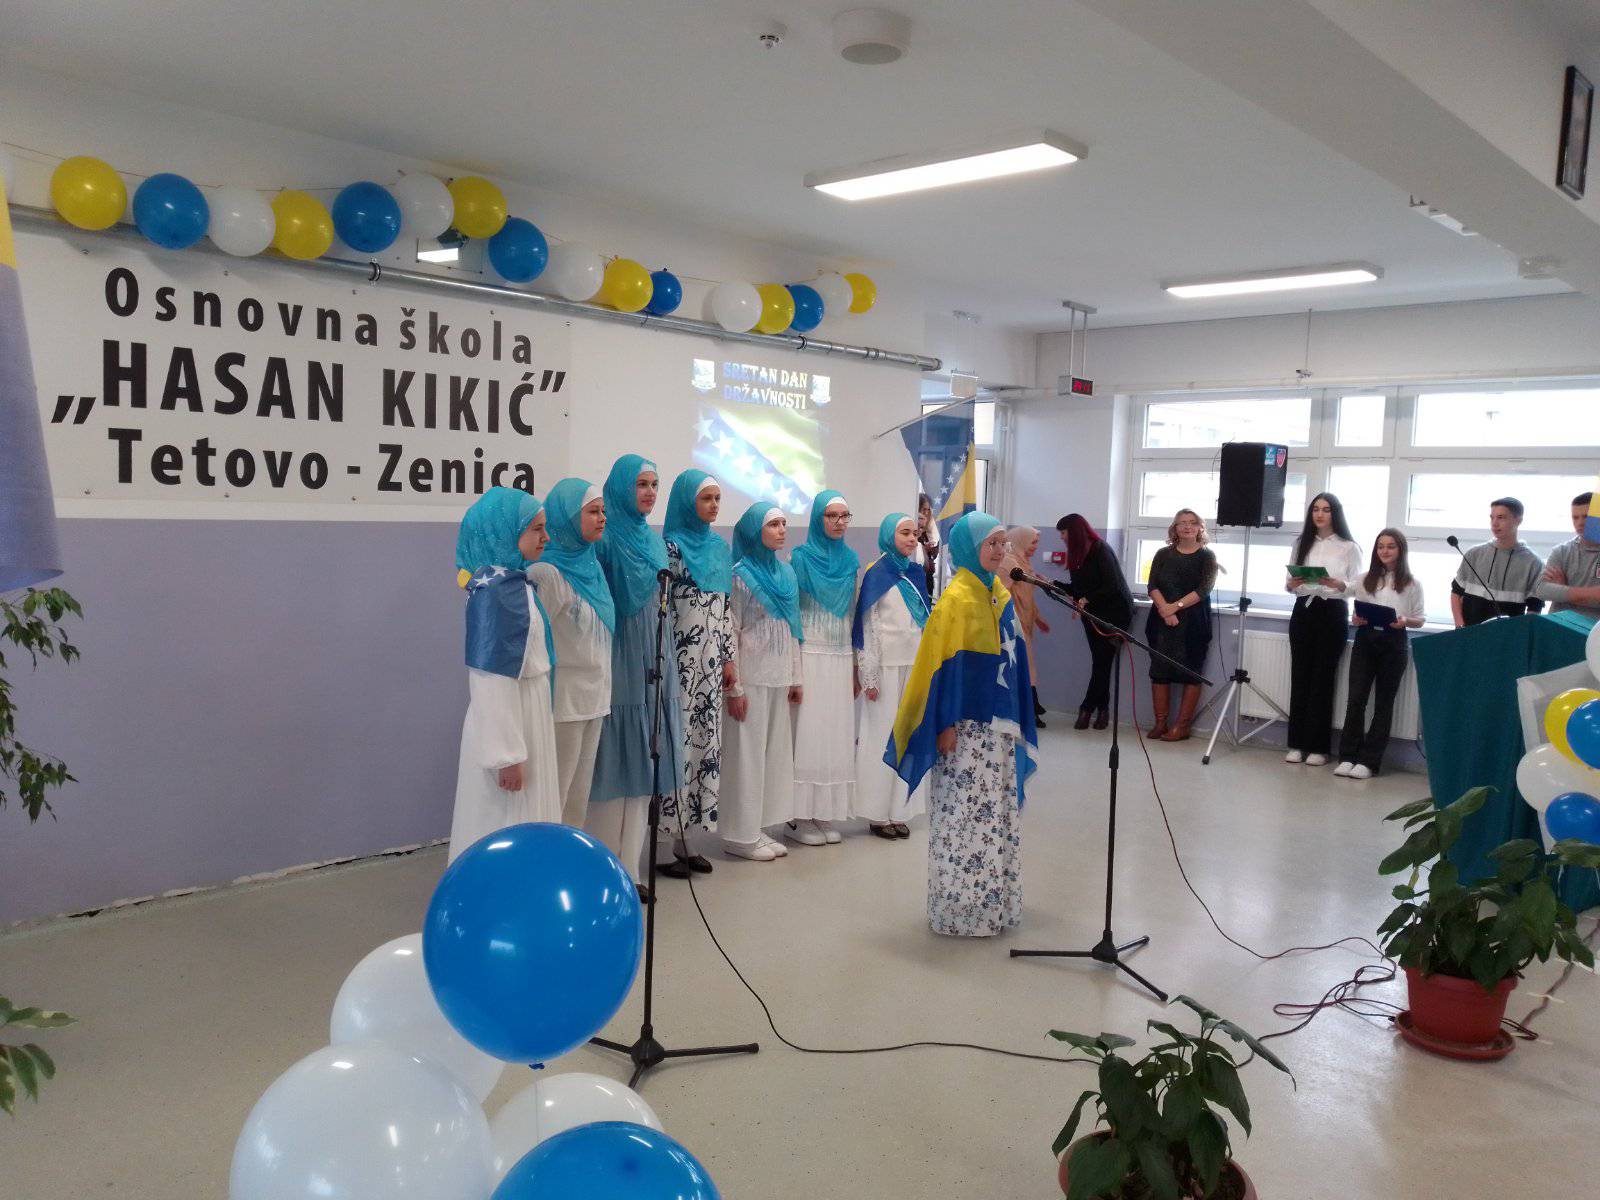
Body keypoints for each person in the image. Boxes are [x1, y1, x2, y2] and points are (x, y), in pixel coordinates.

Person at [886, 511, 1037, 937]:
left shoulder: (998, 594)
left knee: (995, 816)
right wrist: (943, 724)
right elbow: (939, 669)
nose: (1000, 551)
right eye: (991, 544)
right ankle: (960, 910)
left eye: (1003, 543)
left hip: (998, 730)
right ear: (970, 548)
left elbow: (1011, 658)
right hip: (965, 731)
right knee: (965, 818)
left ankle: (993, 903)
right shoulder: (955, 600)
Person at [447, 487, 560, 862]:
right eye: (537, 529)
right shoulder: (495, 595)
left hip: (528, 716)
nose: (546, 537)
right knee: (503, 819)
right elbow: (490, 680)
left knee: (528, 819)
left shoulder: (515, 585)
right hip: (510, 726)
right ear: (506, 532)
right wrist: (506, 755)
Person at [589, 455, 685, 887]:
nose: (649, 493)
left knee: (645, 763)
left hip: (654, 652)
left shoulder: (653, 541)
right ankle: (603, 871)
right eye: (641, 484)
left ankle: (630, 869)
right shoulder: (605, 538)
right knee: (615, 765)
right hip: (618, 653)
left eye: (654, 485)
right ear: (622, 487)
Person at [658, 469, 734, 879]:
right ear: (688, 502)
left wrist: (728, 660)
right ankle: (664, 845)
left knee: (704, 750)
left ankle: (687, 841)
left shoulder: (720, 549)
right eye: (706, 498)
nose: (714, 505)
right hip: (680, 668)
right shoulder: (671, 548)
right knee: (678, 748)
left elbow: (725, 612)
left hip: (710, 669)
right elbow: (662, 610)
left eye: (717, 498)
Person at [528, 477, 614, 830]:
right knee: (554, 798)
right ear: (566, 518)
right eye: (593, 512)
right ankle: (543, 860)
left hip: (594, 699)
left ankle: (567, 860)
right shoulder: (546, 574)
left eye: (603, 511)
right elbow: (532, 642)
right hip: (561, 704)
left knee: (578, 802)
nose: (602, 518)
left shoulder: (592, 566)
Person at [721, 501, 802, 862]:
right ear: (756, 531)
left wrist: (796, 677)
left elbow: (793, 628)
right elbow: (731, 631)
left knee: (773, 756)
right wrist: (734, 688)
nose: (782, 530)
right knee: (747, 757)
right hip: (750, 679)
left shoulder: (787, 574)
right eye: (773, 524)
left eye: (784, 523)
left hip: (777, 678)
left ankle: (758, 828)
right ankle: (739, 834)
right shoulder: (739, 575)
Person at [852, 513, 931, 839]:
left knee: (908, 736)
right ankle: (877, 813)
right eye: (905, 533)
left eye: (915, 533)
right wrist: (869, 675)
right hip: (884, 669)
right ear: (889, 536)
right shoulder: (877, 572)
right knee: (881, 736)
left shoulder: (916, 573)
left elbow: (923, 623)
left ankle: (900, 810)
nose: (912, 539)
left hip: (913, 666)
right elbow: (867, 626)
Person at [788, 491, 860, 845]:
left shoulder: (851, 560)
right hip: (811, 653)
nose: (839, 522)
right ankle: (799, 817)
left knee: (835, 735)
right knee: (809, 734)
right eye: (832, 516)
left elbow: (853, 613)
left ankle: (823, 813)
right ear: (819, 519)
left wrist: (856, 665)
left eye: (845, 516)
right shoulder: (800, 558)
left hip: (841, 654)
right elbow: (791, 613)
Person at [1336, 529, 1425, 780]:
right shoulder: (1364, 579)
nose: (1385, 551)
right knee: (1356, 699)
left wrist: (1405, 620)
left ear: (1401, 550)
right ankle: (1347, 756)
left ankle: (1369, 761)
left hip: (1394, 642)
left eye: (1391, 546)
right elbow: (1353, 605)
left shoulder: (1412, 583)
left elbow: (1420, 618)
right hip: (1366, 639)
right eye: (1380, 546)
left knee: (1384, 704)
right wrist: (1356, 619)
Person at [1284, 493, 1363, 766]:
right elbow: (1288, 582)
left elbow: (1357, 586)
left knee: (1323, 679)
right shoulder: (1301, 542)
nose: (1319, 514)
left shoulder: (1349, 547)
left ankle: (1318, 747)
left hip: (1332, 611)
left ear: (1335, 513)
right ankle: (1296, 744)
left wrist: (1339, 584)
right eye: (1315, 509)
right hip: (1303, 609)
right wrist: (1292, 583)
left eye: (1326, 510)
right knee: (1300, 677)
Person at [1144, 509, 1217, 742]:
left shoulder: (1207, 556)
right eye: (1182, 523)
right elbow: (1152, 585)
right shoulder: (1162, 554)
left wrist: (1174, 607)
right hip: (1161, 620)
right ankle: (1160, 723)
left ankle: (1182, 727)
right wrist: (1165, 609)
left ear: (1200, 527)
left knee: (1191, 672)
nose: (1187, 527)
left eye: (1192, 523)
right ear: (1174, 528)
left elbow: (1204, 589)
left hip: (1193, 622)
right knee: (1159, 671)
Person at [1058, 514, 1134, 731]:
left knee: (1102, 662)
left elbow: (1112, 585)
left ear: (1074, 532)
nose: (1061, 537)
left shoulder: (1101, 549)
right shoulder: (1076, 555)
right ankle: (1103, 710)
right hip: (1092, 613)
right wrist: (1051, 584)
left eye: (1063, 532)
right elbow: (1078, 589)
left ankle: (1087, 708)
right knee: (1101, 663)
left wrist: (1086, 599)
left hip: (1116, 614)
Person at [1450, 497, 1545, 626]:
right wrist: (1460, 626)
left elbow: (1535, 607)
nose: (1494, 523)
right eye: (1492, 518)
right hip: (1469, 632)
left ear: (1518, 520)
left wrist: (1522, 632)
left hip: (1509, 635)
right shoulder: (1474, 554)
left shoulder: (1534, 563)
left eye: (1501, 517)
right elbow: (1456, 592)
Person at [1001, 526, 1051, 727]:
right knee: (1025, 667)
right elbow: (1001, 593)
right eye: (1033, 542)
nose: (1035, 546)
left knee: (1025, 666)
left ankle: (1030, 709)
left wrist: (1038, 618)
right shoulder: (1009, 563)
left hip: (1026, 623)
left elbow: (1028, 596)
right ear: (1020, 540)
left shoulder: (1024, 563)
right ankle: (1030, 710)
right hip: (1014, 624)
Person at [1534, 492, 1600, 622]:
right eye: (1575, 517)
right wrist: (1591, 594)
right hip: (1559, 626)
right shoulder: (1561, 551)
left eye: (1586, 517)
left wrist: (1563, 590)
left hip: (1594, 631)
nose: (1580, 523)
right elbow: (1541, 589)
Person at [913, 491, 942, 597]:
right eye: (923, 509)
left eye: (928, 509)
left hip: (928, 577)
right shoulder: (913, 529)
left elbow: (934, 555)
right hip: (916, 576)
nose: (926, 512)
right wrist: (923, 549)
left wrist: (932, 549)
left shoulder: (931, 529)